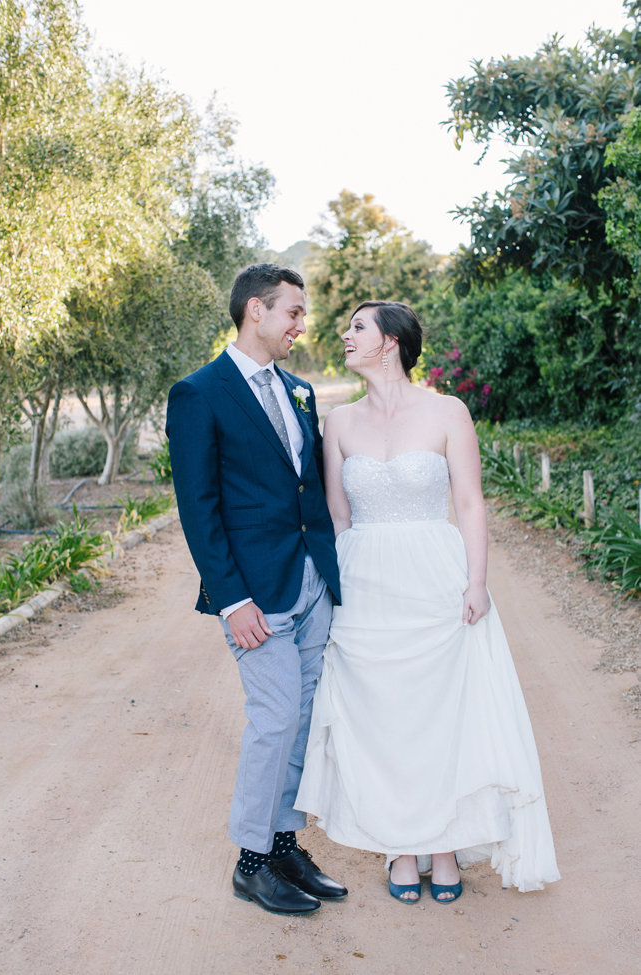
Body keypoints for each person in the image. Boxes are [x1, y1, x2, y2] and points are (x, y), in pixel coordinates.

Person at [295, 300, 560, 904]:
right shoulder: (338, 422)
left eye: (357, 327)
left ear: (390, 343)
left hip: (435, 577)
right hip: (366, 581)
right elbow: (338, 516)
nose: (345, 334)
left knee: (442, 712)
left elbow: (469, 502)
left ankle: (445, 845)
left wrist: (476, 581)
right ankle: (400, 846)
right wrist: (336, 595)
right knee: (384, 717)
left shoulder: (447, 411)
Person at [166, 264, 347, 916]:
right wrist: (232, 598)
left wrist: (331, 576)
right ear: (255, 311)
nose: (302, 325)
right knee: (274, 718)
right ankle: (250, 861)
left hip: (308, 584)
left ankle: (283, 840)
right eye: (293, 312)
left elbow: (311, 492)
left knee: (300, 720)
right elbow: (199, 507)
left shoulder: (299, 390)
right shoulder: (199, 393)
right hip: (254, 597)